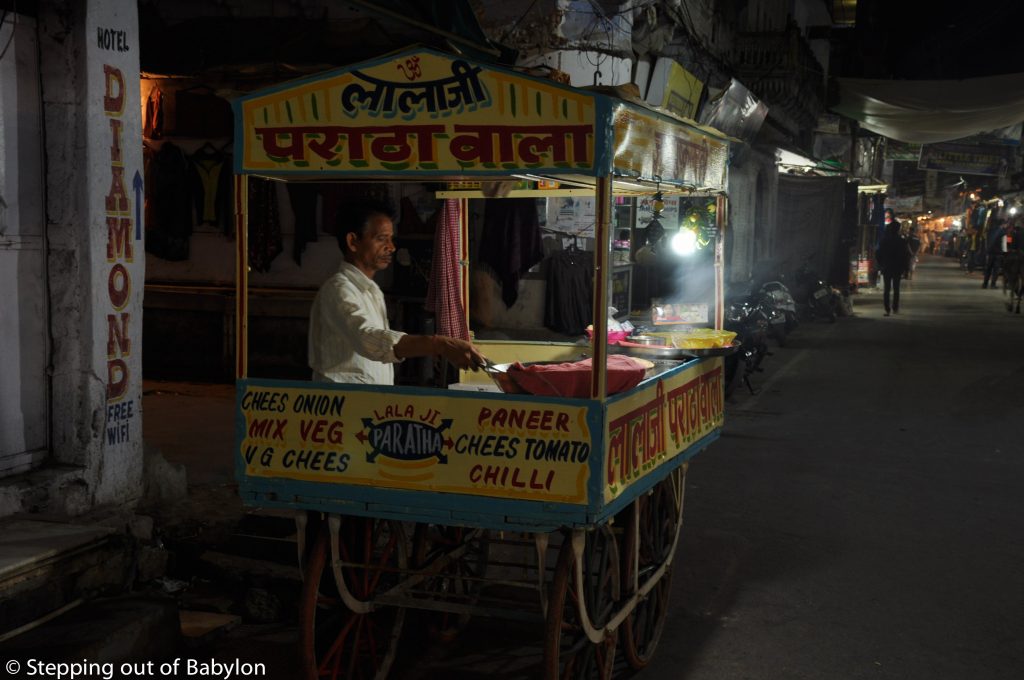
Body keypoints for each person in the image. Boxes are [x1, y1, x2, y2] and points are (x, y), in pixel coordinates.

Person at [308, 199, 487, 384]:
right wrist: (439, 344)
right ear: (353, 241)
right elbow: (368, 339)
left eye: (391, 239)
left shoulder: (371, 291)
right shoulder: (338, 290)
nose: (392, 247)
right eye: (381, 239)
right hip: (344, 405)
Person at [876, 218, 912, 316]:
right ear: (898, 229)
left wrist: (880, 265)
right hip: (897, 268)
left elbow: (878, 254)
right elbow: (906, 256)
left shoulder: (884, 241)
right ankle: (895, 308)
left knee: (887, 289)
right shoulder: (901, 241)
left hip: (887, 267)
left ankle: (887, 309)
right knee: (896, 289)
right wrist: (906, 269)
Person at [981, 220, 1010, 289]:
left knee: (988, 269)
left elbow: (986, 241)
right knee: (995, 270)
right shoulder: (1003, 232)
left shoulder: (990, 231)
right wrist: (1005, 253)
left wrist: (987, 250)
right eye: (1006, 225)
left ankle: (985, 284)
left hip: (990, 252)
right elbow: (1004, 245)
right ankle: (993, 284)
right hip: (998, 253)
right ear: (1003, 224)